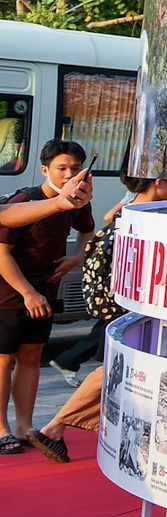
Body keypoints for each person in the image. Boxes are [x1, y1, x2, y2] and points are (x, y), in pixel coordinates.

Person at [26, 175, 167, 463]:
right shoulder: (148, 218)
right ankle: (56, 426)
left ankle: (60, 427)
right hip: (137, 307)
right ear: (159, 182)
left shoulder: (130, 211)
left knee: (120, 369)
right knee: (115, 370)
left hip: (125, 306)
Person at [0, 141, 95, 455]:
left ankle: (24, 426)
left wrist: (77, 256)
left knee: (32, 355)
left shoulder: (79, 201)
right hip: (9, 292)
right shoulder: (24, 200)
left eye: (75, 168)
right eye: (62, 168)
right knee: (4, 359)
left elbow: (87, 230)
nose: (70, 175)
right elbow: (1, 253)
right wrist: (27, 293)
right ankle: (1, 429)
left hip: (46, 289)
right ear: (45, 170)